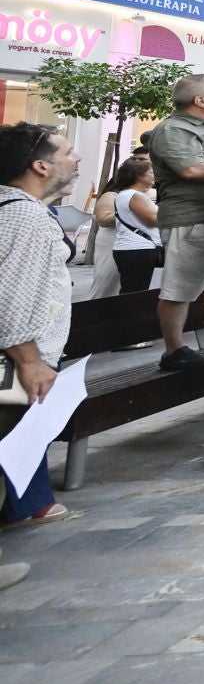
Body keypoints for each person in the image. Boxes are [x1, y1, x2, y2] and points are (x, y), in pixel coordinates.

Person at [0, 123, 83, 542]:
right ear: (40, 166)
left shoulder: (16, 210)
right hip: (16, 361)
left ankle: (27, 504)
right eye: (67, 152)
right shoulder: (25, 217)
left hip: (21, 355)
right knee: (12, 435)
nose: (76, 159)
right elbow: (11, 297)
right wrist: (31, 362)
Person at [147, 74, 204, 370]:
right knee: (180, 286)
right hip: (192, 220)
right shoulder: (173, 129)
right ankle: (174, 350)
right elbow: (192, 169)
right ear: (200, 100)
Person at [107, 157, 164, 294]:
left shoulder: (125, 194)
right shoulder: (134, 195)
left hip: (133, 248)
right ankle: (128, 314)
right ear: (140, 177)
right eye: (151, 173)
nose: (154, 175)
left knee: (133, 290)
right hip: (138, 249)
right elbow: (152, 219)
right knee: (134, 292)